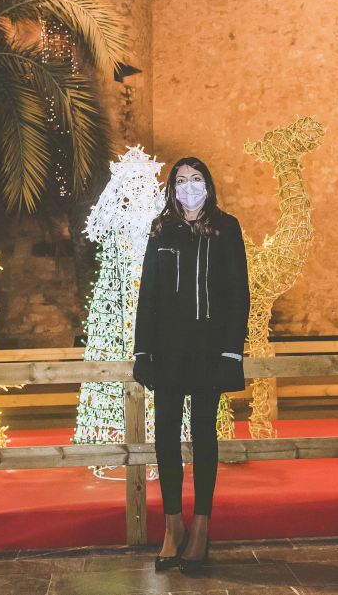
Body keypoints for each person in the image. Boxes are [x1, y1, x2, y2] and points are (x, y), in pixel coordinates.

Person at [132, 156, 250, 573]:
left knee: (203, 434)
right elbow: (149, 293)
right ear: (172, 189)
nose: (189, 186)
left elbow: (239, 293)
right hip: (168, 351)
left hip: (209, 351)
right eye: (181, 180)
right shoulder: (162, 229)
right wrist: (142, 351)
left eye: (196, 178)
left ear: (208, 185)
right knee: (165, 435)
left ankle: (200, 527)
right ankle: (172, 526)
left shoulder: (226, 228)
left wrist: (231, 352)